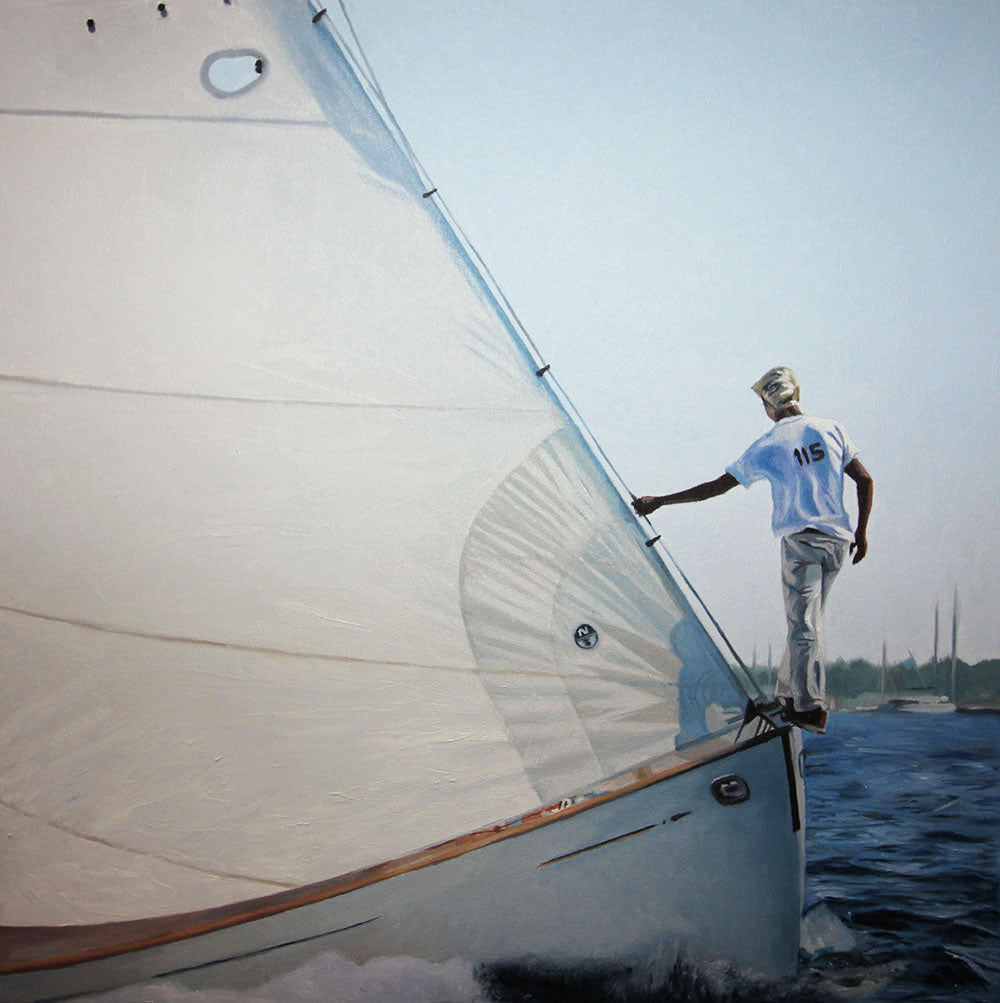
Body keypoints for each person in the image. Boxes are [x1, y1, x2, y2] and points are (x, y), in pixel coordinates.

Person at [632, 366, 873, 734]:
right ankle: (786, 696)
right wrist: (862, 531)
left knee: (803, 625)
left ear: (768, 404)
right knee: (808, 622)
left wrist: (661, 501)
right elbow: (865, 479)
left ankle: (809, 707)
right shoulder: (831, 428)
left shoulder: (770, 444)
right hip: (838, 541)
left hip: (801, 540)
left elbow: (716, 486)